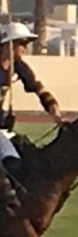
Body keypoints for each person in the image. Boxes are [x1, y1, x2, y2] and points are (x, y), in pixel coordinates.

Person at [0, 23, 62, 211]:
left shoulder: (17, 65)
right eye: (21, 44)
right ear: (7, 45)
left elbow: (36, 86)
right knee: (10, 161)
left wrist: (52, 107)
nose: (24, 49)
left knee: (26, 154)